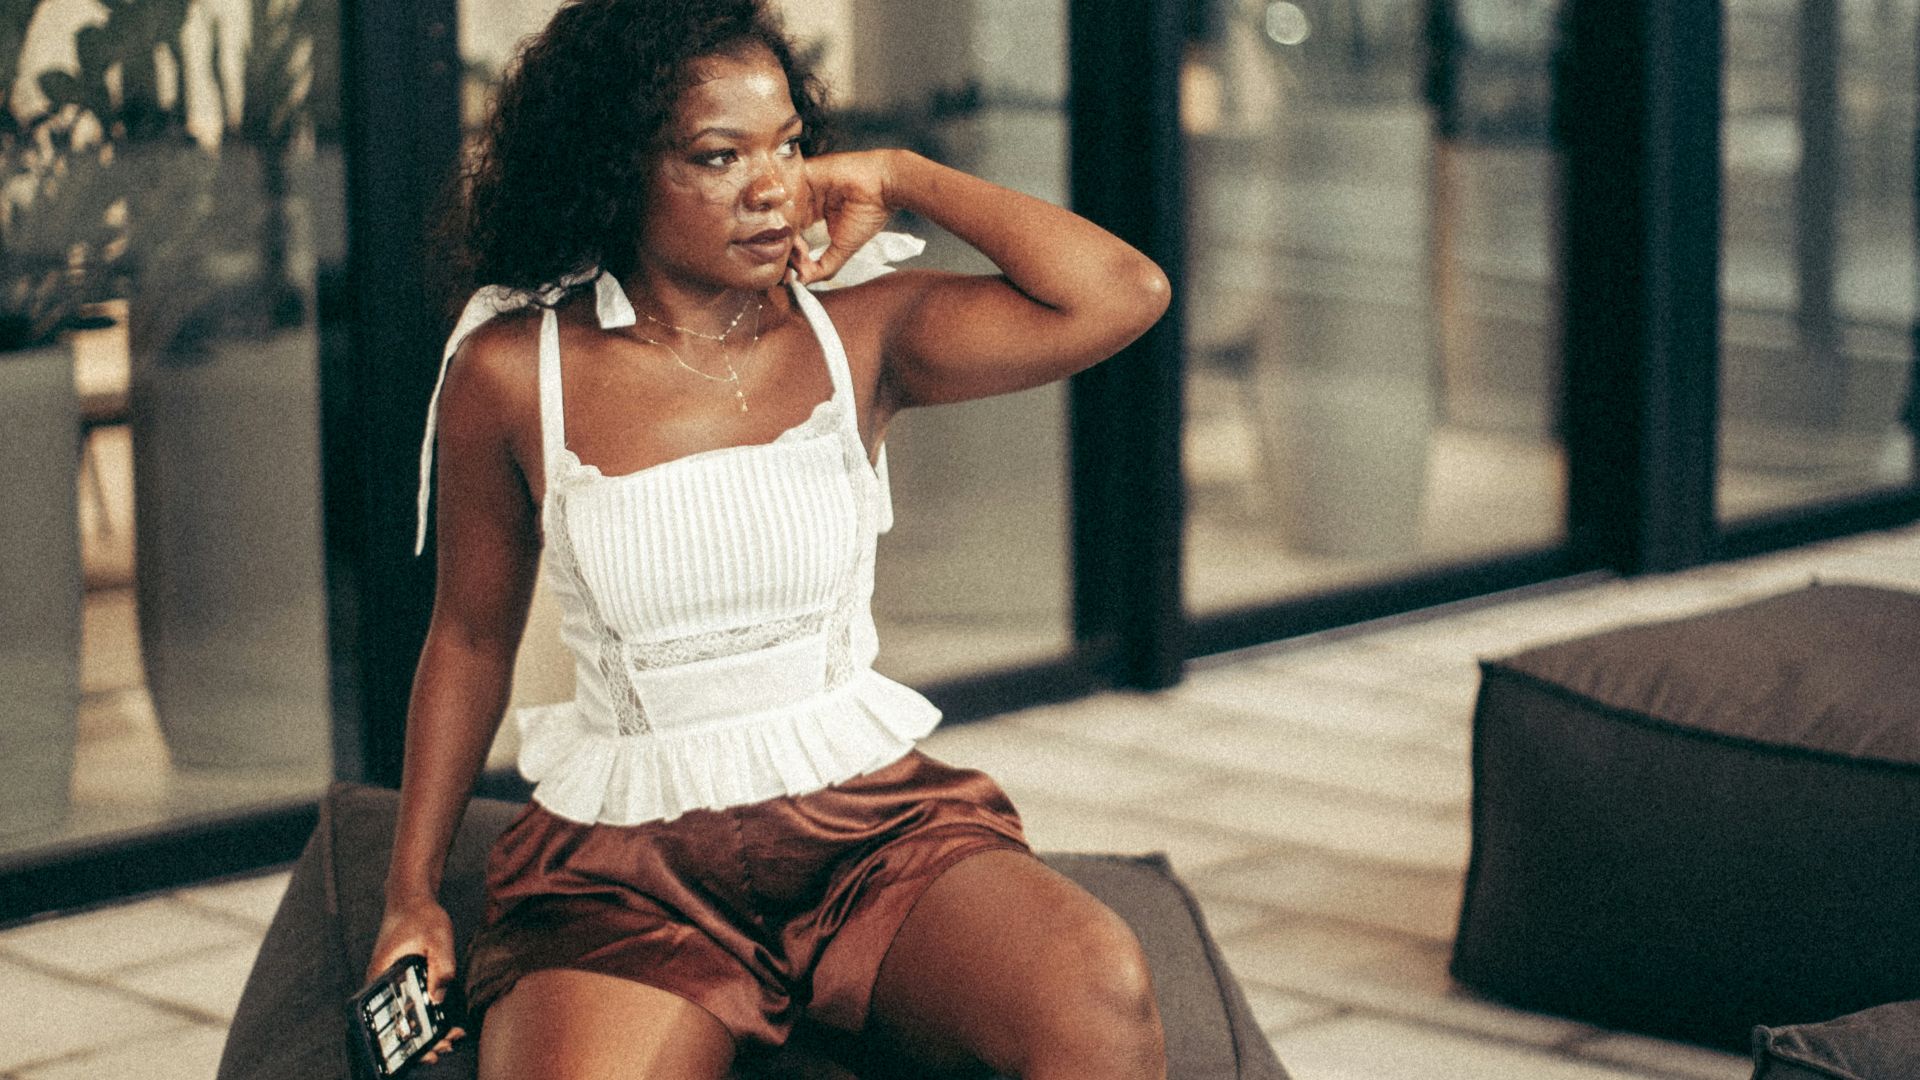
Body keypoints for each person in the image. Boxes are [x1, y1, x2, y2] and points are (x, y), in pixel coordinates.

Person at [367, 1, 1171, 1076]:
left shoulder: (860, 334)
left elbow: (1124, 293)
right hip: (627, 867)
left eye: (790, 144)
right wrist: (411, 894)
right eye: (719, 155)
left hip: (870, 831)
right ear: (617, 170)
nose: (773, 187)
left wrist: (902, 173)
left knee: (1100, 996)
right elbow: (467, 640)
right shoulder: (518, 371)